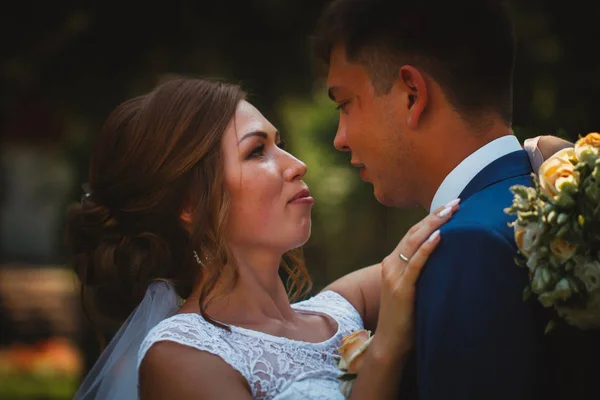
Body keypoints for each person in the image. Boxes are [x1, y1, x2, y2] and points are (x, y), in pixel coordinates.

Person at [67, 77, 459, 399]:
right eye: (257, 151)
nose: (297, 165)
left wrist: (521, 183)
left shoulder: (341, 310)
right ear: (189, 204)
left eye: (280, 145)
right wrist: (386, 349)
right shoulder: (180, 356)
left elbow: (451, 244)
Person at [313, 0, 585, 399]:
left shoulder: (466, 245)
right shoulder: (558, 203)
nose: (340, 137)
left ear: (411, 93)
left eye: (345, 104)